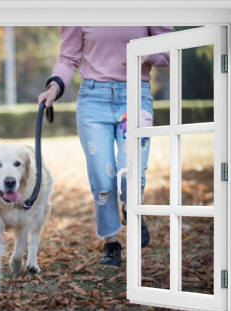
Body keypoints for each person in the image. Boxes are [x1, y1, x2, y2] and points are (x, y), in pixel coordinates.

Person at [39, 27, 173, 267]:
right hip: (93, 100)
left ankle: (133, 208)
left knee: (130, 171)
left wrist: (147, 54)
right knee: (102, 178)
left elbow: (173, 48)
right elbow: (68, 58)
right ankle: (111, 243)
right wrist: (54, 88)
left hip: (135, 97)